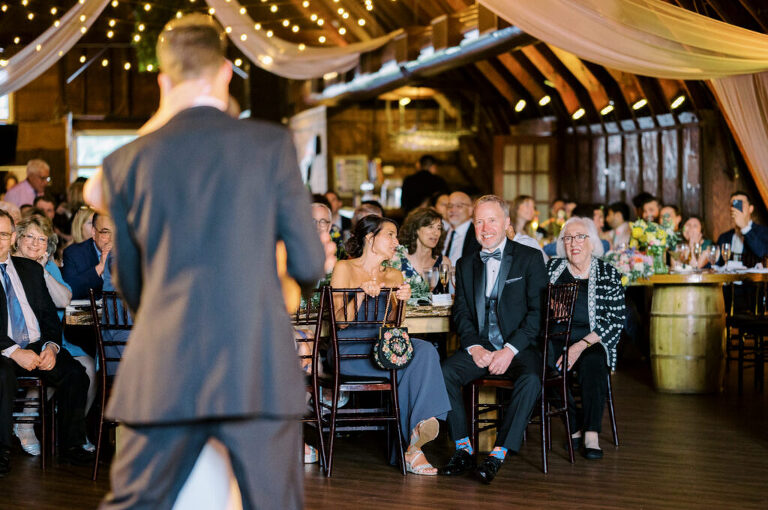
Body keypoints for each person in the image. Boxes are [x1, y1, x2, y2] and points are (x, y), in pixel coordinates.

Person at [86, 14, 324, 509]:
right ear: (225, 74)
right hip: (255, 366)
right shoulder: (270, 145)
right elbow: (308, 261)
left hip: (164, 367)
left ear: (163, 82)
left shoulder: (124, 162)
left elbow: (130, 281)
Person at [330, 215, 450, 475]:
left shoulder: (394, 274)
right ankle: (413, 447)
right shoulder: (344, 268)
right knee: (407, 365)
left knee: (425, 350)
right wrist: (361, 293)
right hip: (349, 349)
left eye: (396, 235)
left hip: (383, 347)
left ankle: (414, 442)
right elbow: (338, 323)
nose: (397, 241)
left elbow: (395, 327)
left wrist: (401, 301)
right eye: (390, 235)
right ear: (370, 238)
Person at [441, 195, 546, 484]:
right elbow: (461, 313)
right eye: (479, 221)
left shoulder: (529, 258)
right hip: (481, 349)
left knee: (532, 380)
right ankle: (463, 448)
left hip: (519, 349)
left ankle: (498, 453)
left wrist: (510, 350)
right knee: (444, 373)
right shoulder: (464, 264)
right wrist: (474, 347)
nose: (485, 228)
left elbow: (538, 314)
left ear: (507, 224)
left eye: (492, 220)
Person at [0, 210, 94, 476]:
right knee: (2, 376)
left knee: (76, 373)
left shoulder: (30, 269)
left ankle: (71, 445)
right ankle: (2, 451)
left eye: (4, 234)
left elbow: (50, 318)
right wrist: (15, 351)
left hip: (36, 345)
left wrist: (51, 346)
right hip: (4, 349)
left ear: (12, 237)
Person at [546, 217, 625, 459]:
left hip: (592, 339)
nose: (574, 243)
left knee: (593, 364)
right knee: (545, 364)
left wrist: (579, 346)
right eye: (568, 238)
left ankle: (591, 432)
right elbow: (533, 301)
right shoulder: (552, 269)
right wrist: (549, 302)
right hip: (557, 338)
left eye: (580, 237)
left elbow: (616, 319)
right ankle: (573, 423)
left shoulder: (607, 272)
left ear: (592, 243)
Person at [388, 207, 447, 300]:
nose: (436, 233)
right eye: (430, 227)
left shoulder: (444, 263)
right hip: (401, 313)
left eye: (439, 228)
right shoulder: (396, 257)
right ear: (416, 229)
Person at [60, 213, 113, 300]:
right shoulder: (75, 254)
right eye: (105, 232)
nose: (111, 239)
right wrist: (100, 268)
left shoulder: (130, 252)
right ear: (93, 232)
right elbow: (69, 292)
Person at [716, 191, 768, 267]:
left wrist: (744, 228)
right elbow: (717, 266)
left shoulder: (763, 232)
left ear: (750, 209)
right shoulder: (724, 237)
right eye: (733, 204)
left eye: (740, 204)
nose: (736, 208)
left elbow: (764, 253)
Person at [444, 191, 480, 267]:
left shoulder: (478, 234)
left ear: (470, 210)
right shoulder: (440, 233)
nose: (453, 210)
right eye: (450, 206)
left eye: (459, 206)